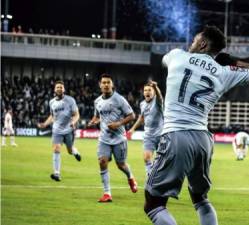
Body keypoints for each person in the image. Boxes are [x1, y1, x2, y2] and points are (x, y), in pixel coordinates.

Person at [144, 25, 249, 225]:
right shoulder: (224, 71)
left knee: (153, 204)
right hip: (203, 140)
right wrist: (231, 61)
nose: (191, 43)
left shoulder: (178, 55)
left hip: (177, 135)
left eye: (194, 40)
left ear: (202, 44)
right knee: (200, 198)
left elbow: (163, 60)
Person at [88, 74, 138, 203]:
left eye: (108, 82)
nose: (105, 85)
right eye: (103, 82)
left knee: (121, 165)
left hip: (119, 139)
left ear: (112, 84)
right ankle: (107, 193)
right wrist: (94, 121)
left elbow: (132, 115)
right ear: (100, 85)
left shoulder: (119, 99)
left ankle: (130, 177)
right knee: (102, 162)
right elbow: (98, 116)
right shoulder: (97, 101)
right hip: (104, 138)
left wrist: (118, 124)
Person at [37, 81, 81, 182]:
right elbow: (52, 116)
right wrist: (45, 124)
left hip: (69, 130)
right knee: (56, 149)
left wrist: (73, 122)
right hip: (56, 130)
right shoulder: (51, 102)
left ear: (64, 89)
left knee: (69, 151)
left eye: (61, 87)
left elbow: (76, 114)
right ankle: (56, 173)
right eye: (57, 87)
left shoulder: (70, 100)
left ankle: (75, 151)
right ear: (54, 89)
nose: (59, 89)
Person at [129, 80, 164, 175]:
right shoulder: (142, 104)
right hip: (148, 136)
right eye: (145, 90)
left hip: (161, 135)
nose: (147, 92)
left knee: (162, 161)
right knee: (146, 158)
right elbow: (142, 118)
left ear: (153, 92)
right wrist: (133, 128)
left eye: (149, 90)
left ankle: (161, 178)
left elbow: (160, 97)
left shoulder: (157, 102)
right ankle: (150, 179)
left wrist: (156, 87)